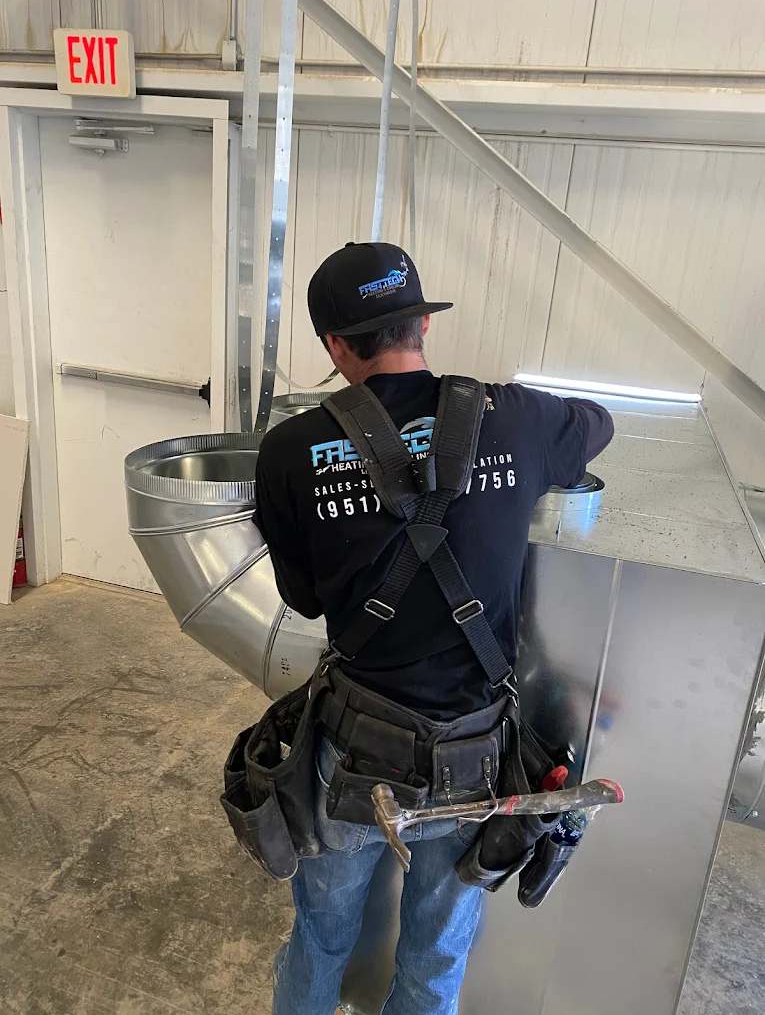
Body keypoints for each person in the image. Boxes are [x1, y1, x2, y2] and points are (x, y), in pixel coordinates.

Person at [254, 242, 614, 1015]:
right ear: (422, 324)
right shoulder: (519, 417)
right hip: (473, 756)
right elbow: (598, 423)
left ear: (334, 346)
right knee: (436, 952)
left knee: (320, 937)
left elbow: (305, 599)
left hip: (354, 751)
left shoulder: (288, 451)